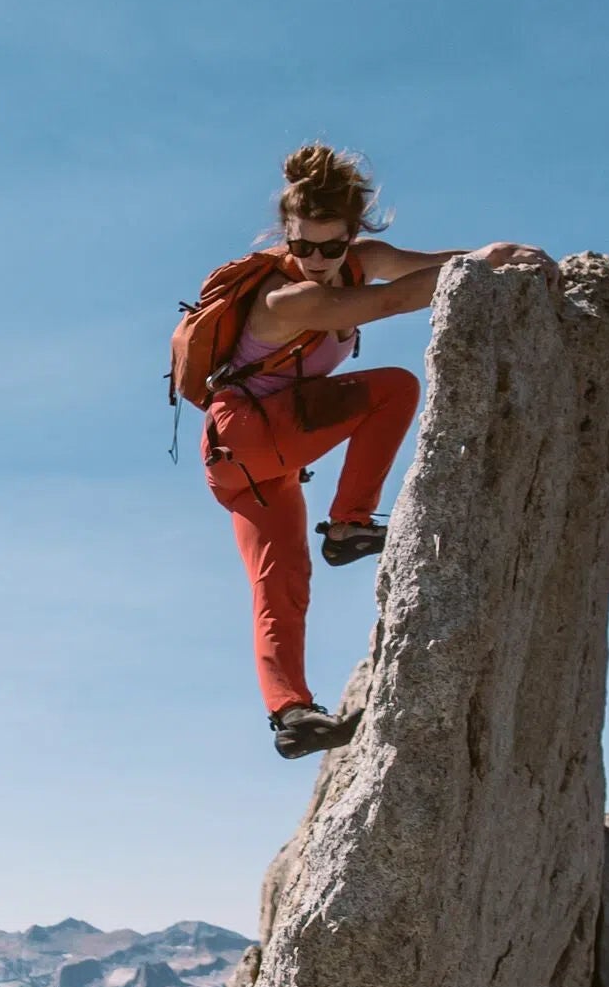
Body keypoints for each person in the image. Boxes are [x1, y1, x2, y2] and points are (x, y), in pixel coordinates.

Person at [197, 143, 556, 758]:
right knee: (393, 389)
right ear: (285, 236)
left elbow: (423, 266)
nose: (313, 258)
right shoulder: (291, 298)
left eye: (329, 247)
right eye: (300, 245)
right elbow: (390, 300)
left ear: (352, 238)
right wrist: (488, 264)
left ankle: (291, 715)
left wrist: (486, 257)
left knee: (279, 582)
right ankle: (350, 524)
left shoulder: (366, 260)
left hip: (246, 461)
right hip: (247, 434)